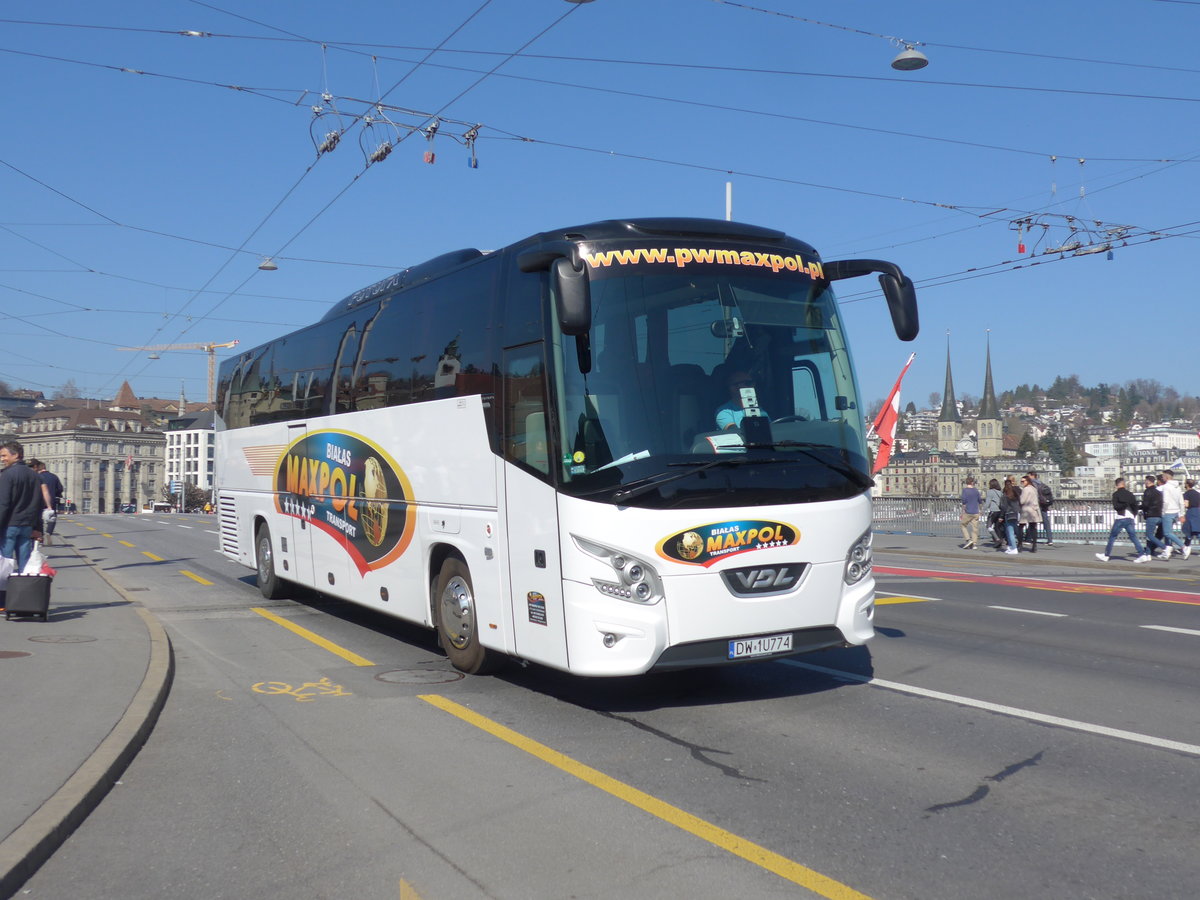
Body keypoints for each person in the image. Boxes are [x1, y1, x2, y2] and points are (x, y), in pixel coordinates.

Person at [0, 441, 46, 573]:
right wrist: (38, 528)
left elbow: (4, 503)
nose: (2, 459)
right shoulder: (35, 475)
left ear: (16, 455)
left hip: (9, 524)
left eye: (4, 456)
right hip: (27, 525)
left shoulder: (7, 475)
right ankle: (22, 588)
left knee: (5, 562)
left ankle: (4, 590)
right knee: (24, 562)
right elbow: (38, 504)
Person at [1095, 477, 1151, 563]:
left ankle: (1106, 555)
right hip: (1130, 518)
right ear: (1124, 484)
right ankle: (1142, 554)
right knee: (1133, 537)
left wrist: (1124, 505)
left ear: (1116, 485)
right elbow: (1135, 506)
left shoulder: (1116, 494)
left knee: (1112, 537)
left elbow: (1116, 507)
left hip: (1121, 518)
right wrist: (1133, 514)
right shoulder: (1130, 494)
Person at [27, 458, 64, 546]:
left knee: (39, 519)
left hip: (38, 501)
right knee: (51, 518)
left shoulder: (36, 476)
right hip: (51, 501)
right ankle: (49, 532)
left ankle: (40, 537)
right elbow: (60, 488)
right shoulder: (53, 476)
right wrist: (58, 494)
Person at [1157, 469, 1187, 560]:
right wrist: (1181, 513)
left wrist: (1163, 512)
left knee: (1167, 533)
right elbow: (1181, 502)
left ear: (1166, 477)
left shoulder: (1166, 487)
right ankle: (1167, 551)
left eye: (1163, 476)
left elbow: (1165, 501)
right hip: (1176, 512)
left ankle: (1184, 547)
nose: (1162, 478)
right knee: (1168, 533)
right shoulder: (1177, 487)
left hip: (1168, 511)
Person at [1140, 474, 1166, 559]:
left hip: (1151, 515)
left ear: (1148, 482)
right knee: (1153, 535)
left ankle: (1164, 548)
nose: (1144, 482)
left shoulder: (1147, 492)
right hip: (1159, 515)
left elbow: (1145, 504)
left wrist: (1138, 507)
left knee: (1149, 535)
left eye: (1145, 481)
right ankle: (1148, 553)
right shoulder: (1158, 492)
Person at [1028, 469, 1054, 546]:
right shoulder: (1041, 483)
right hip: (1043, 505)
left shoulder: (1033, 484)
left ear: (1032, 476)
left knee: (1032, 522)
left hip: (1037, 505)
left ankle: (1029, 539)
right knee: (1046, 522)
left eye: (1028, 476)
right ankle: (1050, 540)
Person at [1018, 474, 1042, 552]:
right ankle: (1034, 545)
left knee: (1021, 527)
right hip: (1034, 510)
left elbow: (1022, 501)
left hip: (1026, 510)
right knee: (1033, 528)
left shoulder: (1025, 489)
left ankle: (1020, 545)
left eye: (1023, 481)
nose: (1022, 483)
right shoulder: (1034, 489)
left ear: (1027, 481)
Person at [958, 476, 984, 549]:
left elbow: (964, 502)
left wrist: (962, 512)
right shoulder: (976, 490)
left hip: (968, 511)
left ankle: (968, 540)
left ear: (966, 483)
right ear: (973, 482)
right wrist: (981, 510)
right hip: (976, 512)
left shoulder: (965, 491)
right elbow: (980, 501)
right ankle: (974, 544)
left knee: (963, 525)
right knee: (975, 528)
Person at [999, 481, 1021, 555]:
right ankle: (1011, 547)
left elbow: (1003, 507)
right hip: (1015, 514)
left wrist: (1001, 516)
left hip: (1008, 514)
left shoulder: (1005, 496)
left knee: (1010, 532)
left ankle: (1014, 548)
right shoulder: (1015, 495)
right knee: (1013, 531)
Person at [983, 478, 1003, 548]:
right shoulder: (1000, 492)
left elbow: (987, 503)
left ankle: (997, 539)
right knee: (997, 527)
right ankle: (999, 541)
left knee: (989, 526)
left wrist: (982, 511)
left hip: (993, 511)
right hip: (1000, 511)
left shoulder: (990, 492)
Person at [1182, 478, 1199, 560]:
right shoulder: (1197, 493)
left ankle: (1187, 548)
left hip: (1191, 512)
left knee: (1188, 531)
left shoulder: (1186, 494)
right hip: (1198, 512)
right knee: (1198, 531)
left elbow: (1186, 505)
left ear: (1187, 485)